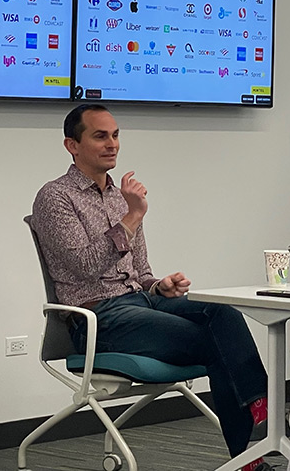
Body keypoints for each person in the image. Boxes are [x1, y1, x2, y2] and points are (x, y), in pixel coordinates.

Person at [31, 104, 270, 471]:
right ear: (71, 145)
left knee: (222, 313)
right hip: (98, 317)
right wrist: (132, 216)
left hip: (141, 302)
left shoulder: (119, 197)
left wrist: (160, 286)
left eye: (115, 135)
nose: (112, 144)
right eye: (100, 136)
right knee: (213, 343)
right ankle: (251, 450)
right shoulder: (55, 197)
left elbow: (140, 272)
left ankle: (258, 412)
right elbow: (83, 267)